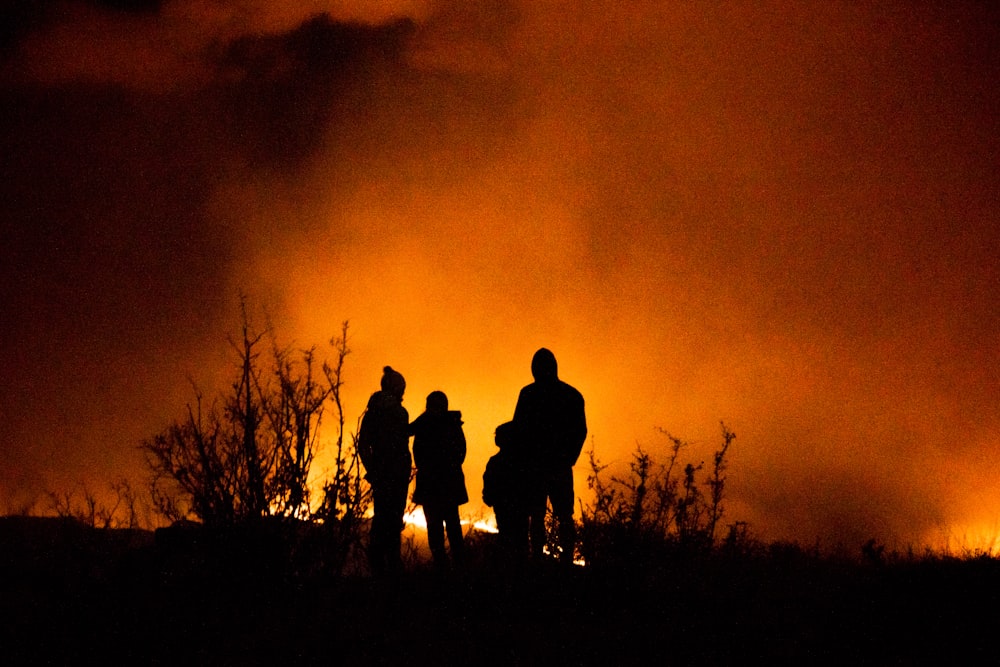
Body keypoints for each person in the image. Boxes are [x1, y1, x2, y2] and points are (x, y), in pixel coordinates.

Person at [512, 348, 587, 565]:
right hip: (554, 465)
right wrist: (568, 458)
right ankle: (563, 561)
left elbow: (519, 429)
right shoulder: (571, 395)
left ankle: (538, 559)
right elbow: (579, 431)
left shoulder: (528, 394)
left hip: (538, 466)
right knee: (562, 517)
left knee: (540, 516)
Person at [358, 366, 412, 574]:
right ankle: (389, 566)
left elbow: (363, 445)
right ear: (397, 388)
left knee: (383, 519)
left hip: (385, 473)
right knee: (390, 520)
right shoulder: (398, 412)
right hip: (394, 474)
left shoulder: (373, 412)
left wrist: (372, 469)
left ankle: (381, 566)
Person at [410, 391, 468, 570]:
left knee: (439, 527)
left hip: (433, 484)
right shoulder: (451, 424)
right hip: (446, 484)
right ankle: (456, 567)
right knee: (450, 525)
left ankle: (445, 567)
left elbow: (416, 449)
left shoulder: (424, 424)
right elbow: (461, 451)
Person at [483, 420, 544, 561]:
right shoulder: (523, 463)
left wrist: (489, 497)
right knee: (520, 540)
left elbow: (489, 484)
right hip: (518, 508)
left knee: (508, 539)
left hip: (505, 508)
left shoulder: (496, 461)